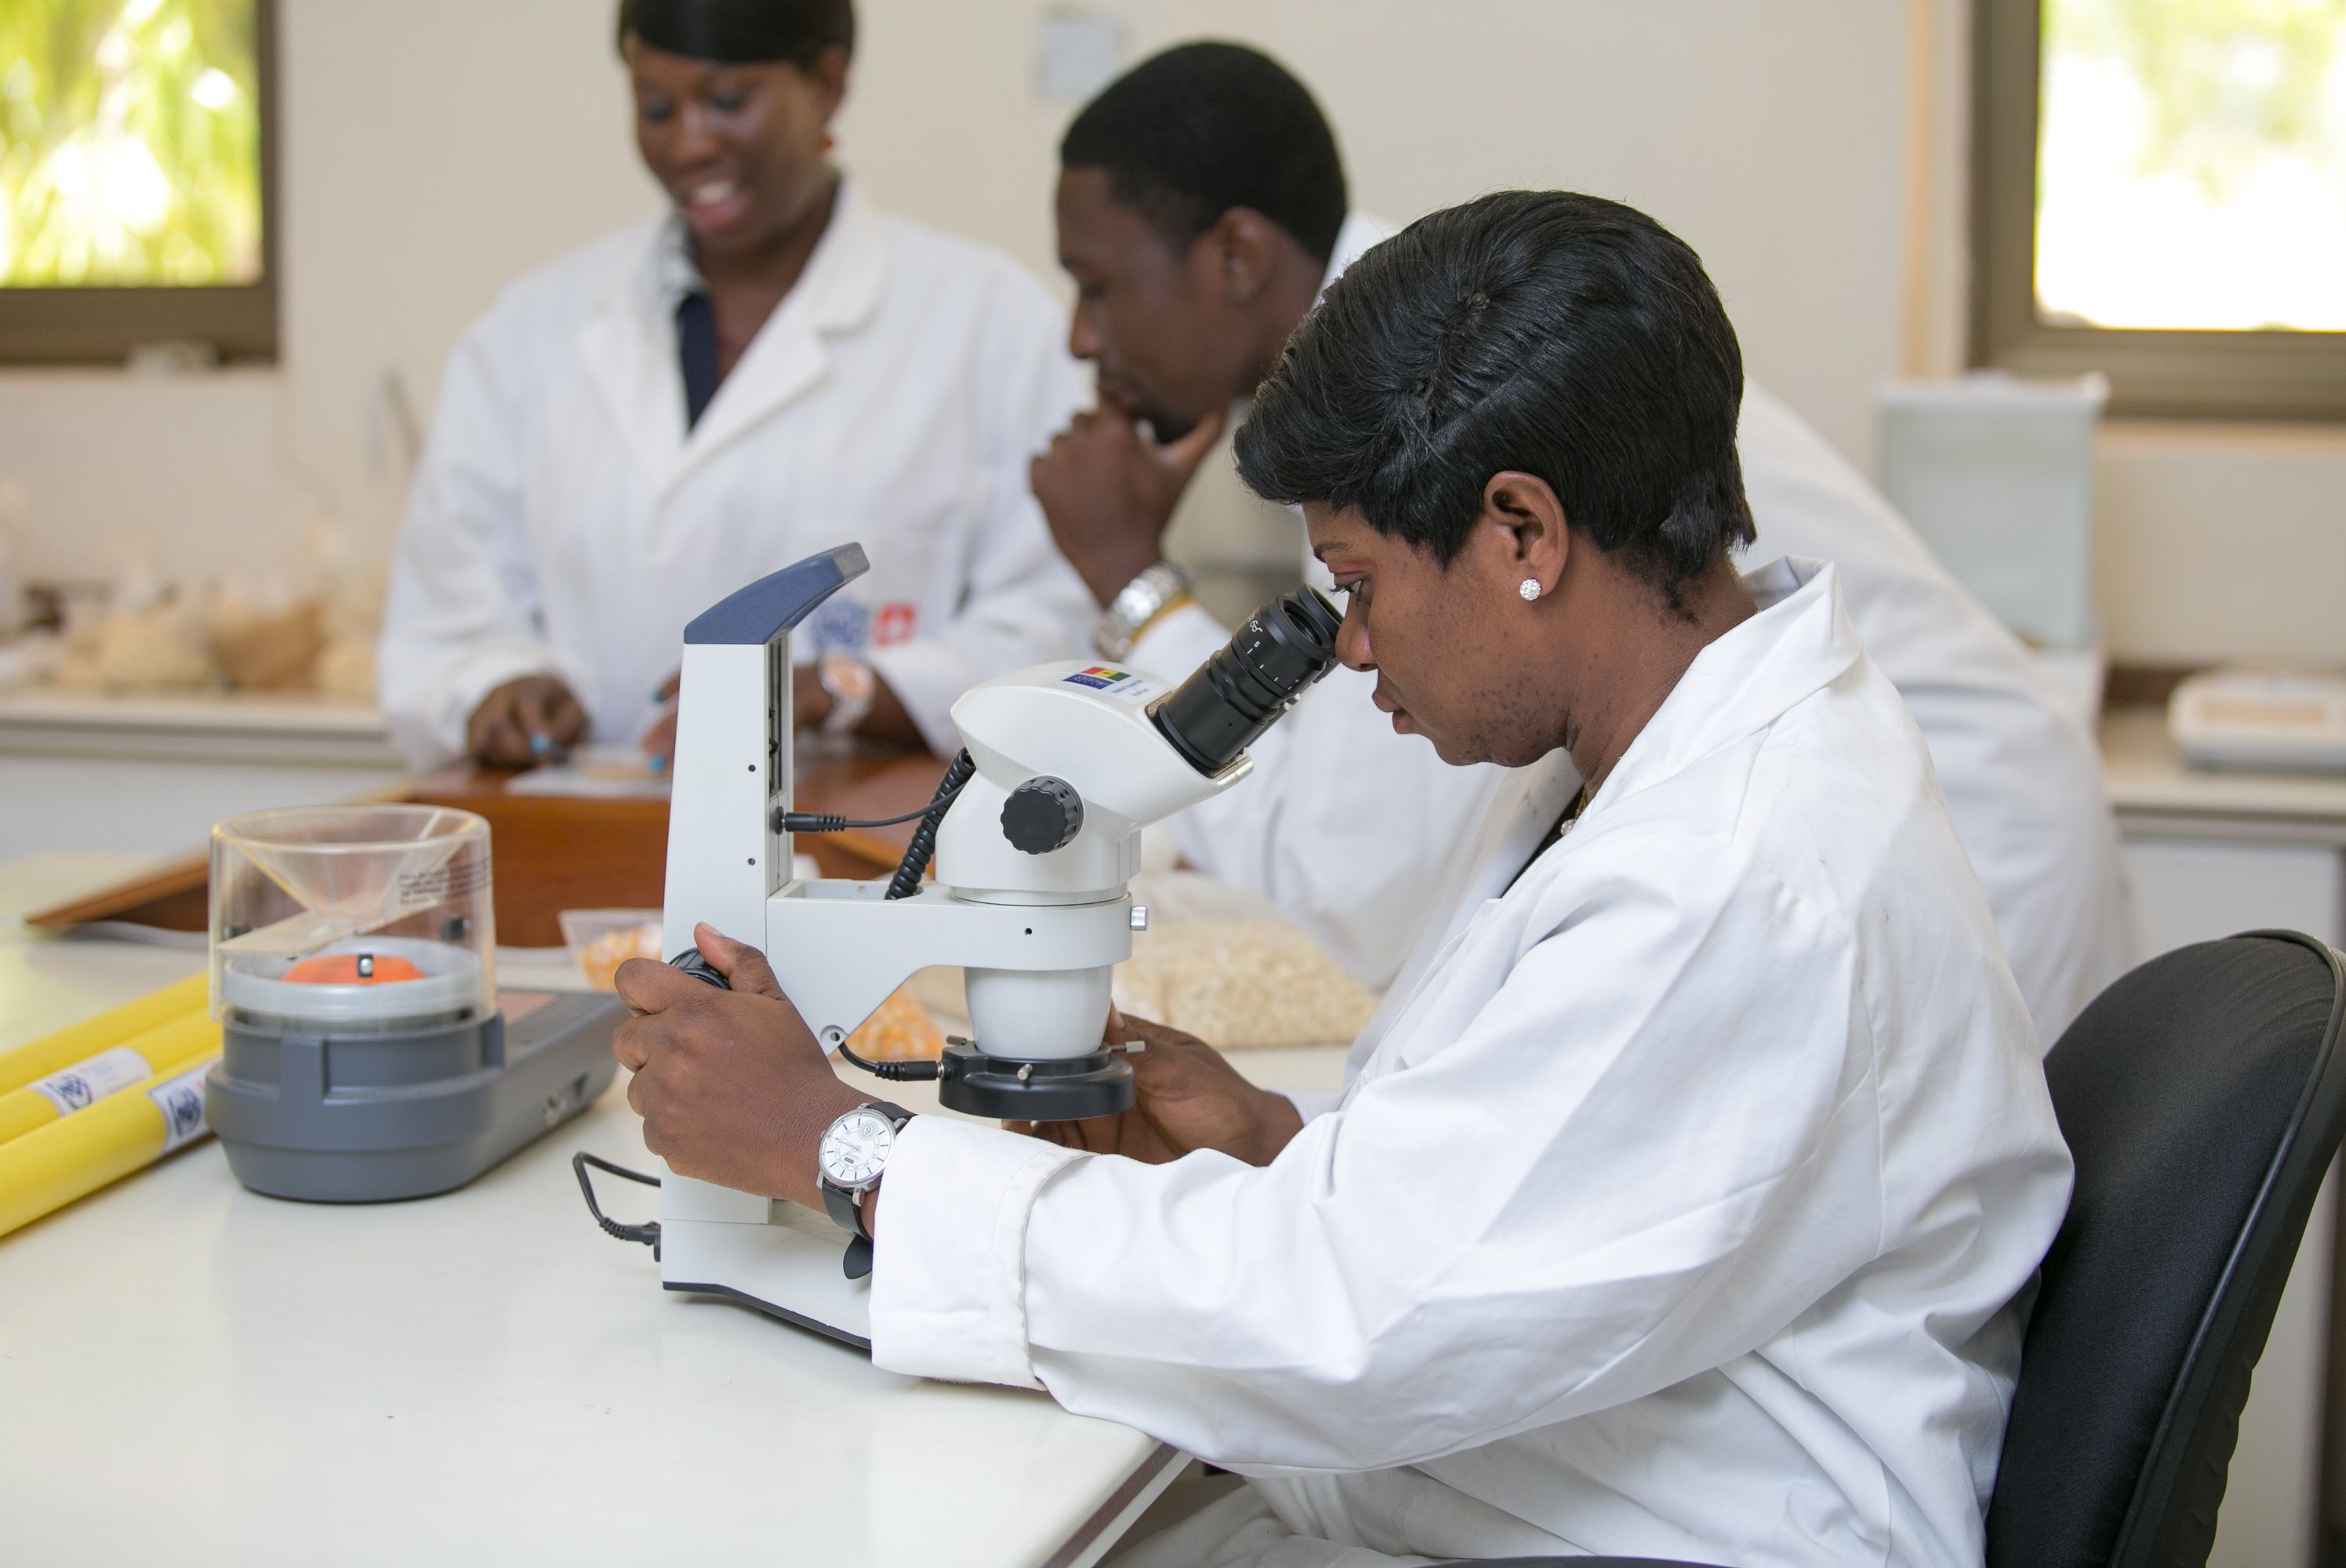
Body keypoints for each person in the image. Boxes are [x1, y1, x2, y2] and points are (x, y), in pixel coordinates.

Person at [613, 190, 2074, 1568]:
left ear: (1522, 532)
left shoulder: (1739, 875)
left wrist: (846, 1151)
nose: (1354, 648)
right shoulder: (1670, 755)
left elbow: (1357, 1326)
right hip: (1558, 1468)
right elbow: (1540, 1196)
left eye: (1360, 584)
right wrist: (1270, 1147)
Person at [1031, 42, 2129, 1043]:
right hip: (1818, 831)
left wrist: (1136, 585)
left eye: (1098, 285)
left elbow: (1352, 883)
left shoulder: (1441, 397)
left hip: (1929, 846)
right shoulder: (1414, 359)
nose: (1083, 338)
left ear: (1235, 255)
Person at [379, 0, 1091, 771]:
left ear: (826, 82)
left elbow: (1056, 632)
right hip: (584, 844)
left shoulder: (991, 326)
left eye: (727, 101)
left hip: (865, 856)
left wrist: (848, 687)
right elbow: (446, 617)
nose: (690, 143)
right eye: (655, 107)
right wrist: (498, 685)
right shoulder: (528, 334)